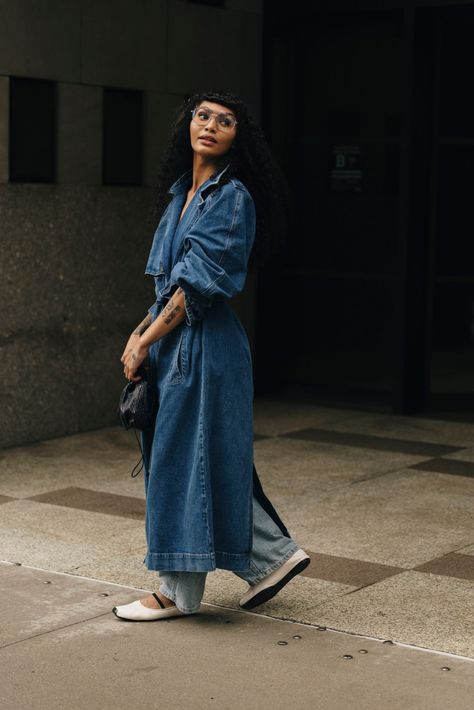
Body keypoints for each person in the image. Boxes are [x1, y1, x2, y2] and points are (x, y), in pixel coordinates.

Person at [113, 90, 310, 621]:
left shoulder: (231, 198)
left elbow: (194, 290)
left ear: (236, 137)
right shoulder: (183, 193)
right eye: (203, 116)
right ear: (188, 126)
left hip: (205, 347)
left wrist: (146, 339)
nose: (211, 126)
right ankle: (271, 557)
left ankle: (178, 592)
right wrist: (139, 336)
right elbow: (166, 287)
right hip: (175, 344)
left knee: (184, 459)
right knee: (200, 457)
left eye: (225, 121)